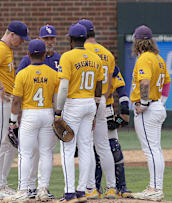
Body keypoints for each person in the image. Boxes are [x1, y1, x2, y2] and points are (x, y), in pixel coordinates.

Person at [3, 39, 59, 202]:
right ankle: (43, 189)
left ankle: (23, 190)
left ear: (28, 54)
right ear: (44, 54)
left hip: (30, 114)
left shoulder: (23, 74)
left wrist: (13, 121)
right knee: (46, 153)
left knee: (25, 154)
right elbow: (57, 99)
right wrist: (57, 115)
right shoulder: (53, 73)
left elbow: (16, 101)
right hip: (47, 112)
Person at [0, 20, 29, 200]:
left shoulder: (7, 50)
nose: (22, 42)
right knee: (0, 142)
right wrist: (0, 88)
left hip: (5, 100)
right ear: (12, 35)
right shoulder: (0, 47)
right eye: (21, 38)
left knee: (10, 143)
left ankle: (2, 184)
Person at [55, 23, 104, 202]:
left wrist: (58, 112)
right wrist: (96, 108)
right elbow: (99, 86)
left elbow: (64, 86)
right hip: (90, 103)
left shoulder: (67, 57)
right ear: (84, 38)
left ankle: (69, 192)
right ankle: (82, 190)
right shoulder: (95, 57)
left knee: (68, 148)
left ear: (70, 39)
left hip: (73, 104)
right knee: (85, 147)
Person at [16, 24, 60, 200]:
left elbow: (17, 93)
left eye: (52, 38)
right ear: (41, 43)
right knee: (41, 153)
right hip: (47, 111)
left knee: (30, 153)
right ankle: (37, 187)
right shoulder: (36, 65)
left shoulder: (59, 59)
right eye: (46, 39)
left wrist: (13, 118)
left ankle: (27, 189)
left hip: (33, 112)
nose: (49, 41)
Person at [130, 25, 171, 201]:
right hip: (156, 106)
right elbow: (168, 82)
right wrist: (160, 102)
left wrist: (146, 103)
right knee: (155, 149)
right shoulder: (158, 58)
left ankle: (155, 188)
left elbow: (145, 83)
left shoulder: (145, 58)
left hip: (148, 109)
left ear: (138, 41)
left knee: (151, 150)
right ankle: (155, 187)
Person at [78, 19, 117, 199]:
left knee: (86, 145)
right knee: (103, 147)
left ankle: (92, 188)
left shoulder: (80, 52)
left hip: (85, 101)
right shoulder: (107, 54)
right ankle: (111, 188)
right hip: (102, 101)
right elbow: (108, 85)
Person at [103, 65, 133, 198]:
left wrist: (124, 111)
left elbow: (121, 89)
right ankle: (94, 188)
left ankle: (121, 187)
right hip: (88, 110)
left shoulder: (108, 62)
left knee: (114, 147)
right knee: (92, 150)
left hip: (106, 109)